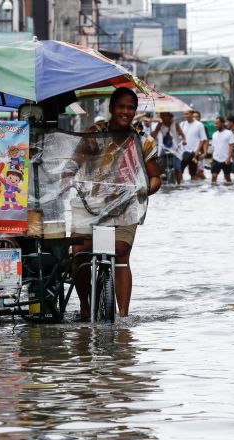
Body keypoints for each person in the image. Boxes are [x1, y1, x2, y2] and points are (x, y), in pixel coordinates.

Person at [67, 87, 162, 319]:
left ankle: (124, 316)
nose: (126, 111)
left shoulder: (143, 141)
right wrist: (64, 181)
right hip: (91, 205)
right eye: (121, 106)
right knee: (79, 253)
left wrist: (142, 192)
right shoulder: (94, 135)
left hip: (126, 207)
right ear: (111, 109)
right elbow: (72, 166)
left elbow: (156, 178)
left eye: (131, 107)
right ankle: (85, 306)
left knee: (121, 253)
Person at [153, 111, 186, 184]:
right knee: (160, 165)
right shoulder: (160, 124)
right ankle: (160, 180)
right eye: (161, 116)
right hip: (164, 147)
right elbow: (154, 134)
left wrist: (184, 140)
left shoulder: (175, 123)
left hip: (176, 147)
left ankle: (179, 184)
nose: (162, 118)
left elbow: (181, 134)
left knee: (178, 168)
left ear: (169, 116)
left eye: (164, 116)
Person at [180, 109, 208, 180]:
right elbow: (179, 137)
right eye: (184, 114)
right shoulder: (182, 124)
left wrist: (198, 150)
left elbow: (203, 139)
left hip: (194, 154)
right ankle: (180, 188)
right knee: (179, 171)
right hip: (183, 153)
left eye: (187, 114)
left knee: (194, 173)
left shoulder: (199, 125)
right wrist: (182, 140)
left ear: (192, 114)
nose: (185, 116)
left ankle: (195, 189)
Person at [210, 116, 234, 183]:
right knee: (214, 177)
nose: (216, 125)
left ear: (222, 123)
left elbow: (231, 146)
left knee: (227, 177)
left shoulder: (229, 133)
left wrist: (229, 158)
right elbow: (214, 147)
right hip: (216, 159)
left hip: (226, 159)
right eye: (215, 123)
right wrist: (212, 159)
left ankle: (230, 191)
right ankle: (214, 191)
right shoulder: (214, 134)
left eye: (217, 123)